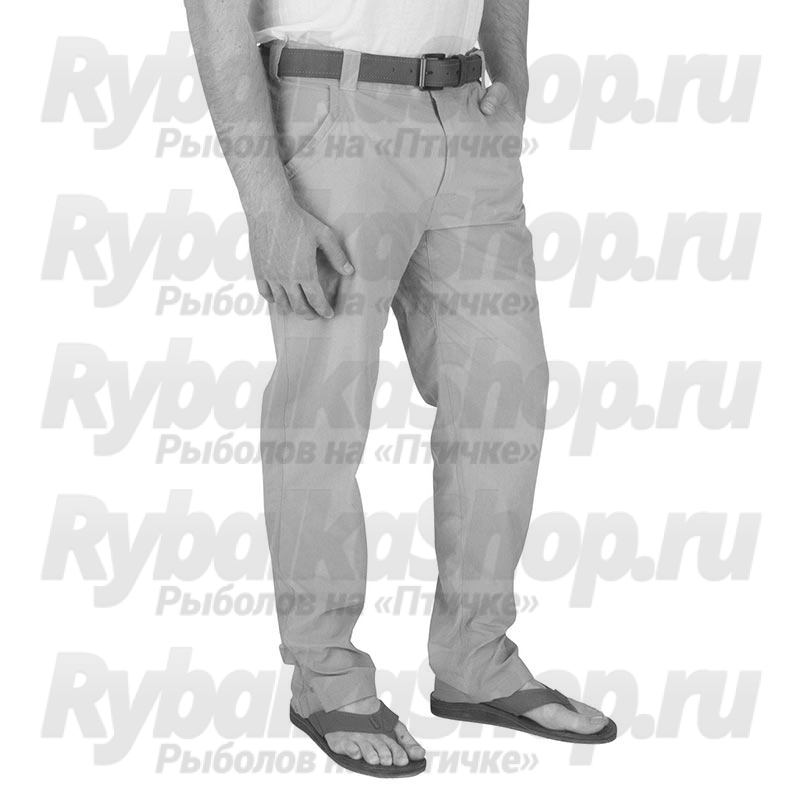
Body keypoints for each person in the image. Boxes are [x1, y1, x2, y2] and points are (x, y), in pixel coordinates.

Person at [185, 0, 616, 778]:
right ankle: (326, 680)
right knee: (326, 408)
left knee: (505, 387)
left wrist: (512, 79)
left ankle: (476, 659)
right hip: (329, 108)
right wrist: (267, 205)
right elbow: (215, 14)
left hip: (466, 115)